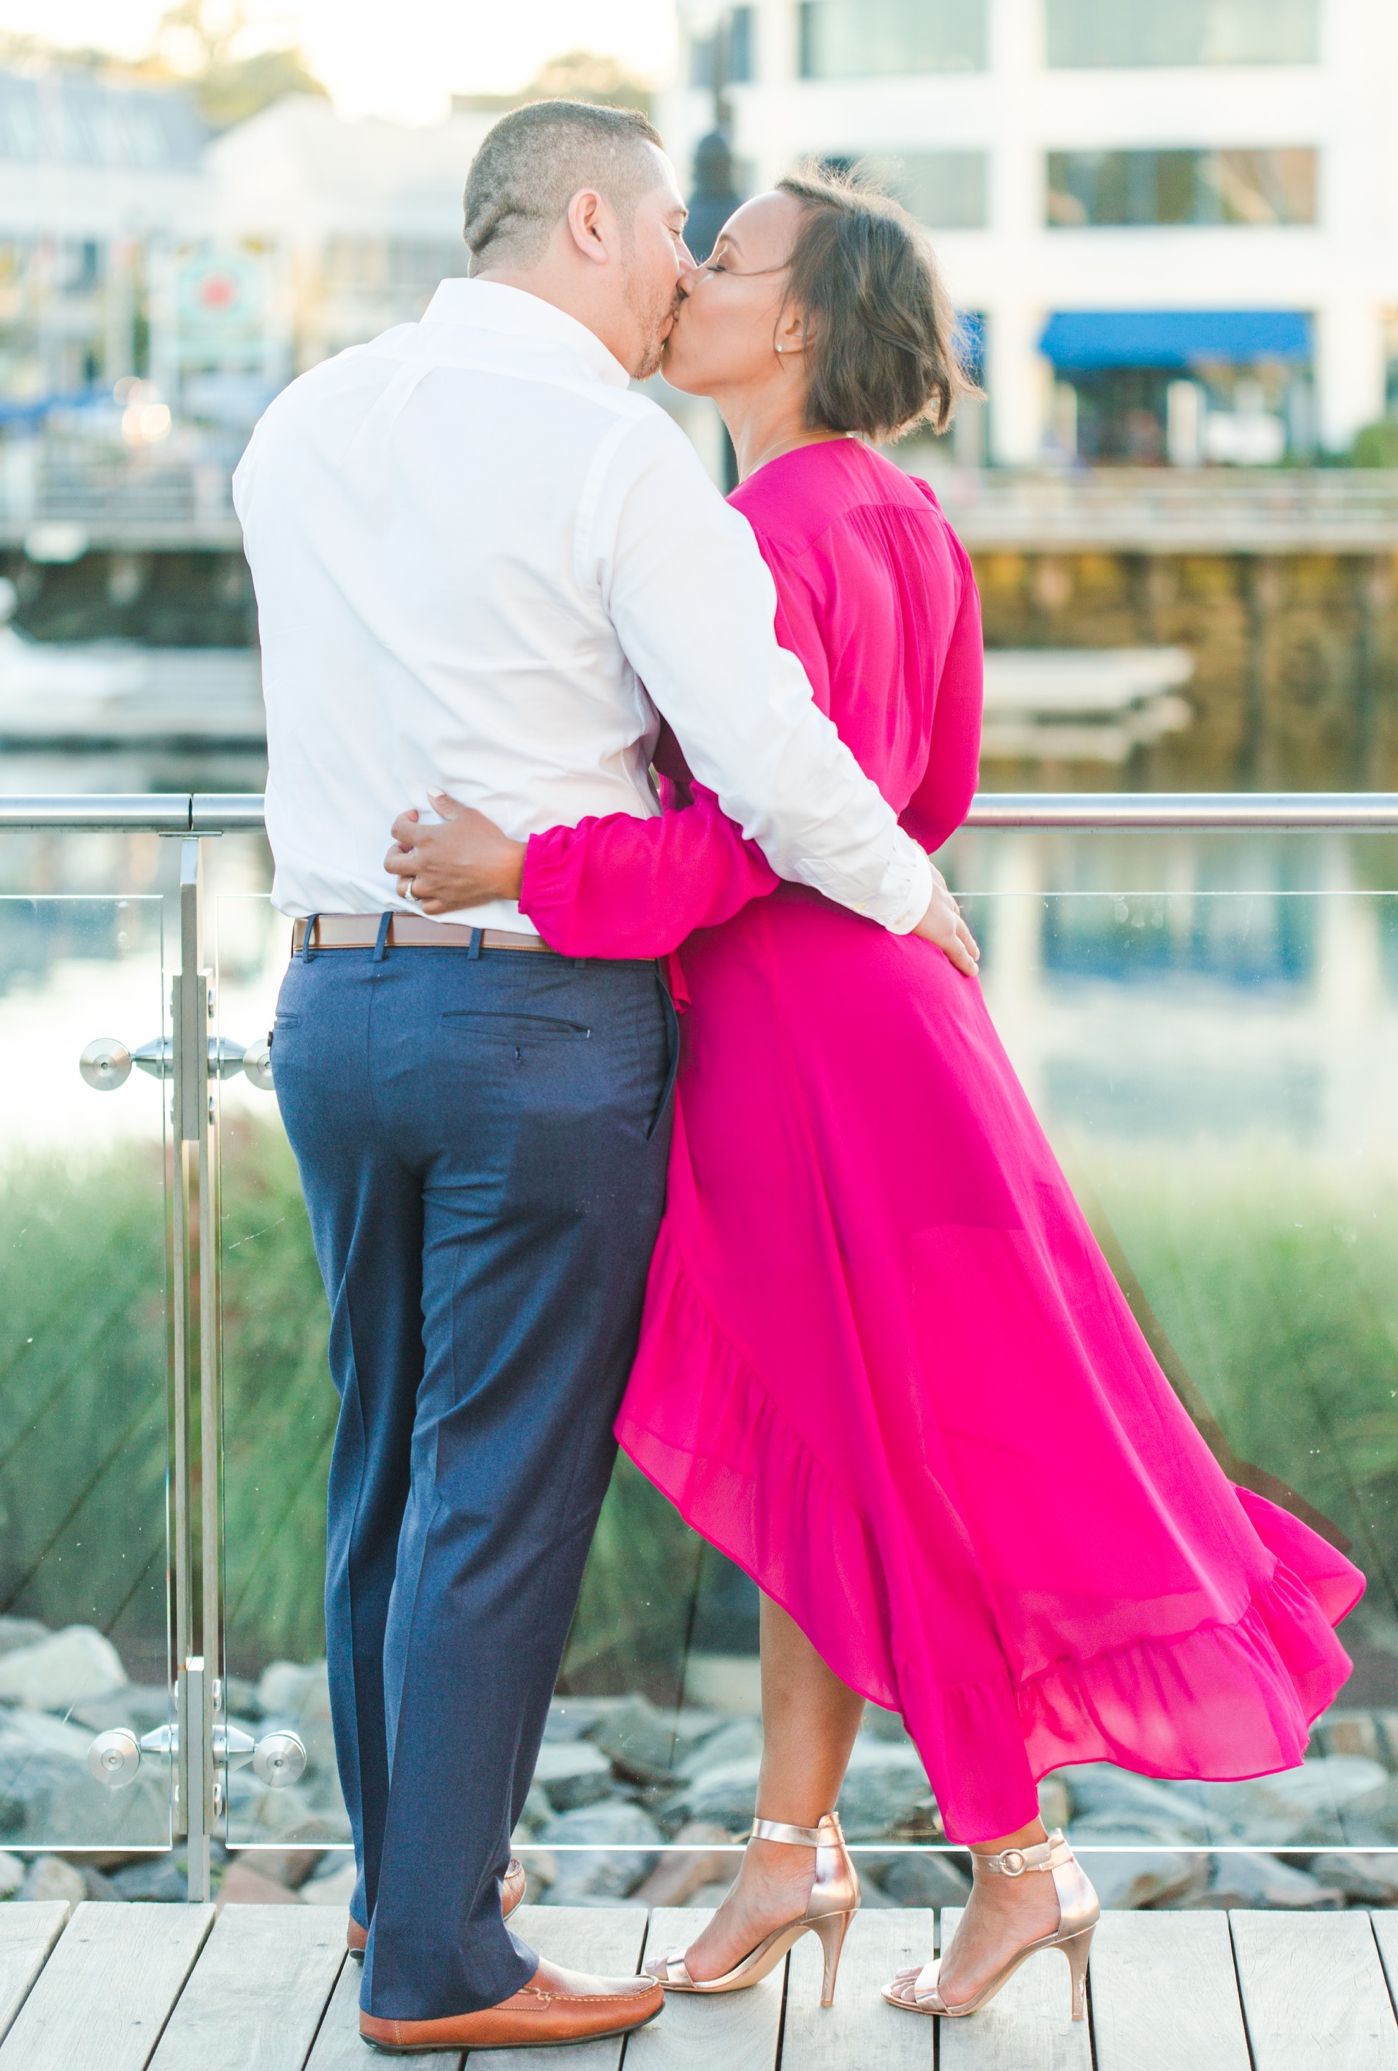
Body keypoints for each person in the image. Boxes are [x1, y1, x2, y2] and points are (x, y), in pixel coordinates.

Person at [385, 168, 1367, 2025]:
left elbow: (748, 839)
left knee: (881, 1455)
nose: (686, 286)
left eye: (726, 263)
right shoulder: (908, 518)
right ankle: (798, 1848)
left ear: (804, 324)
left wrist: (532, 867)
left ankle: (1013, 1860)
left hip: (803, 1055)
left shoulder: (753, 532)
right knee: (834, 1443)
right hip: (900, 1025)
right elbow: (923, 806)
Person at [233, 104, 975, 2056]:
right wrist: (915, 897)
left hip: (326, 1009)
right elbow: (775, 759)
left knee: (383, 1465)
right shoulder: (615, 455)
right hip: (538, 1026)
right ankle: (439, 1964)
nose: (678, 277)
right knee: (499, 1488)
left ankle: (412, 1907)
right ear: (586, 217)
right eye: (667, 234)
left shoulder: (299, 421)